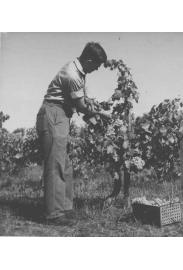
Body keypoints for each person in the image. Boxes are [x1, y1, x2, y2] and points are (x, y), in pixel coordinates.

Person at [36, 42, 110, 225]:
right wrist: (101, 114)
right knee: (55, 164)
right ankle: (53, 214)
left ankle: (65, 209)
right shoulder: (72, 74)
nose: (97, 69)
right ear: (89, 60)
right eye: (97, 65)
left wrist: (93, 107)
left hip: (61, 116)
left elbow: (83, 99)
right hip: (54, 114)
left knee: (65, 165)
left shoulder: (78, 72)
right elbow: (81, 106)